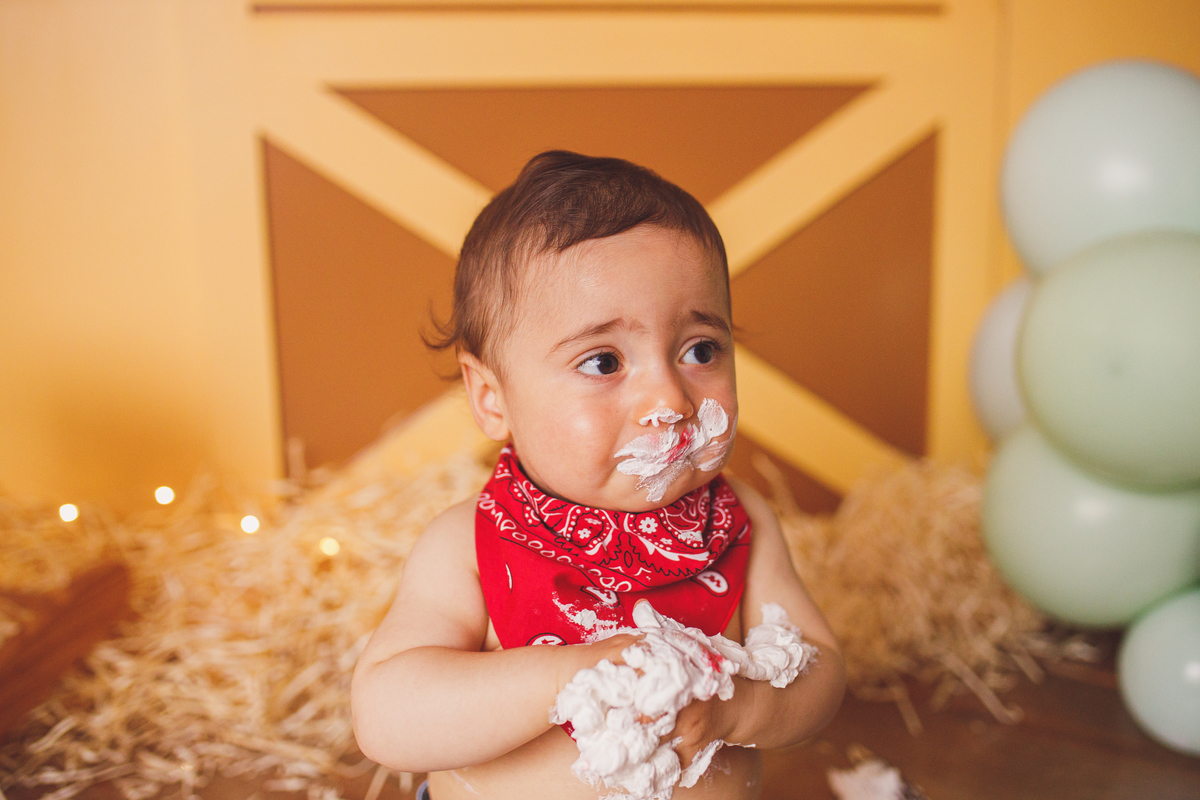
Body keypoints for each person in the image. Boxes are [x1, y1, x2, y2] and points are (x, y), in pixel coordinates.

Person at [351, 151, 845, 800]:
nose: (671, 400)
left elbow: (821, 671)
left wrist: (743, 707)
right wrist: (567, 677)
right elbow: (387, 716)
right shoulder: (470, 544)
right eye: (604, 361)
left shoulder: (739, 526)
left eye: (700, 350)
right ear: (493, 398)